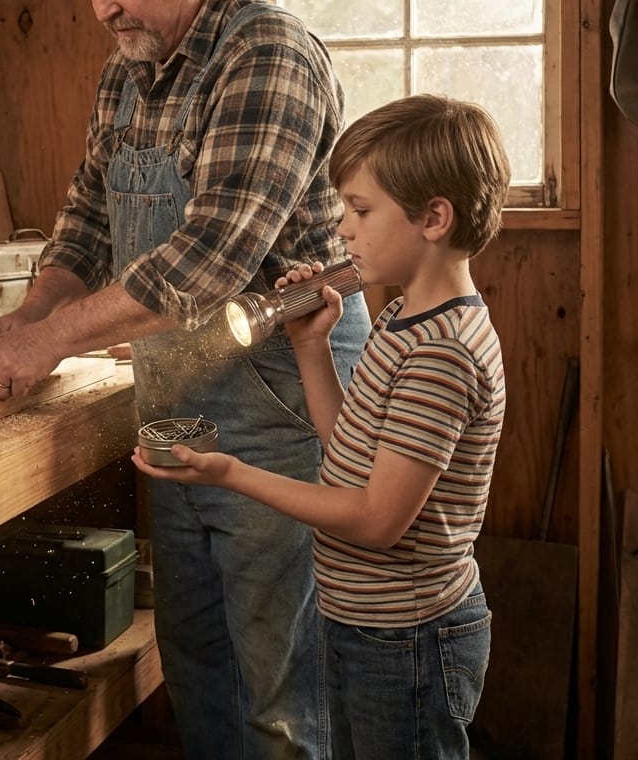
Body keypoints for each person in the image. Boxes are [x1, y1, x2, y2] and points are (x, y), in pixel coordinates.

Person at [0, 0, 371, 759]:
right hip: (179, 402)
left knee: (282, 691)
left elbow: (212, 259)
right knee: (198, 666)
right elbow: (85, 227)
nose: (103, 8)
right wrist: (30, 323)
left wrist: (55, 344)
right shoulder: (128, 70)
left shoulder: (268, 55)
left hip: (283, 400)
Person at [133, 93, 512, 760]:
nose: (343, 230)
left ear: (434, 218)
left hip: (409, 639)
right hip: (366, 625)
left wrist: (233, 473)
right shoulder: (401, 322)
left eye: (361, 211)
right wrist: (312, 347)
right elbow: (349, 453)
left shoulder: (442, 353)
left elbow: (373, 519)